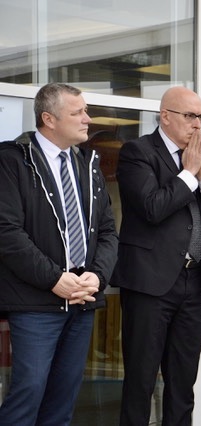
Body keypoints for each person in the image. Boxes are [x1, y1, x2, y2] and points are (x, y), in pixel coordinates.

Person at [113, 86, 201, 426]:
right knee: (141, 380)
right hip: (150, 283)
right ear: (165, 116)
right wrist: (187, 174)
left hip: (193, 283)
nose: (197, 125)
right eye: (189, 116)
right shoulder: (138, 152)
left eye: (200, 117)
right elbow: (153, 208)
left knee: (183, 383)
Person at [0, 83, 118, 425]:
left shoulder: (88, 163)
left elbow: (108, 231)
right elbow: (7, 233)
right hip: (36, 302)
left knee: (62, 402)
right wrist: (55, 279)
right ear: (48, 119)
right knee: (28, 394)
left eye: (85, 110)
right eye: (77, 112)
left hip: (82, 301)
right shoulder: (13, 161)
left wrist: (97, 275)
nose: (87, 118)